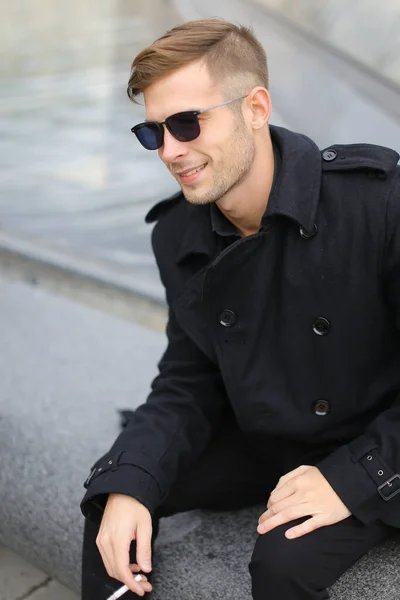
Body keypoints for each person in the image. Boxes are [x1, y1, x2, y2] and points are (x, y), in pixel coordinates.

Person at [80, 17, 400, 600]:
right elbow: (189, 376)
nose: (171, 152)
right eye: (153, 133)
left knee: (283, 567)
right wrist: (129, 481)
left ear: (255, 107)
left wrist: (356, 476)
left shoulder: (377, 202)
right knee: (114, 513)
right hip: (264, 436)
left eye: (186, 123)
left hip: (375, 434)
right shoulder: (177, 235)